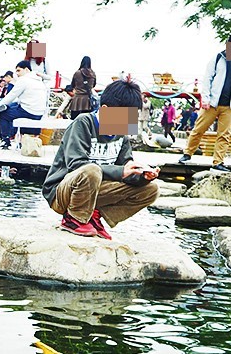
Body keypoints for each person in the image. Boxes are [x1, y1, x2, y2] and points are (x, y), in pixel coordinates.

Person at [42, 79, 160, 239]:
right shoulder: (83, 123)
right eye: (125, 117)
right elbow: (76, 166)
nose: (128, 123)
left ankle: (95, 214)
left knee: (150, 190)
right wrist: (121, 171)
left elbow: (125, 170)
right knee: (91, 170)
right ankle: (73, 218)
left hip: (94, 192)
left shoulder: (121, 134)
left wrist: (142, 177)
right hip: (62, 192)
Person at [178, 31, 231, 171]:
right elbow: (207, 78)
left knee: (224, 135)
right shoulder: (218, 58)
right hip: (212, 103)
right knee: (199, 129)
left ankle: (218, 162)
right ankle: (187, 153)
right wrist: (206, 98)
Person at [0, 60, 48, 150]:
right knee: (13, 107)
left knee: (3, 113)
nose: (17, 73)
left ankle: (5, 140)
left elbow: (11, 96)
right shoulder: (39, 81)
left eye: (18, 70)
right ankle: (18, 140)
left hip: (29, 111)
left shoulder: (24, 80)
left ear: (26, 69)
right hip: (39, 113)